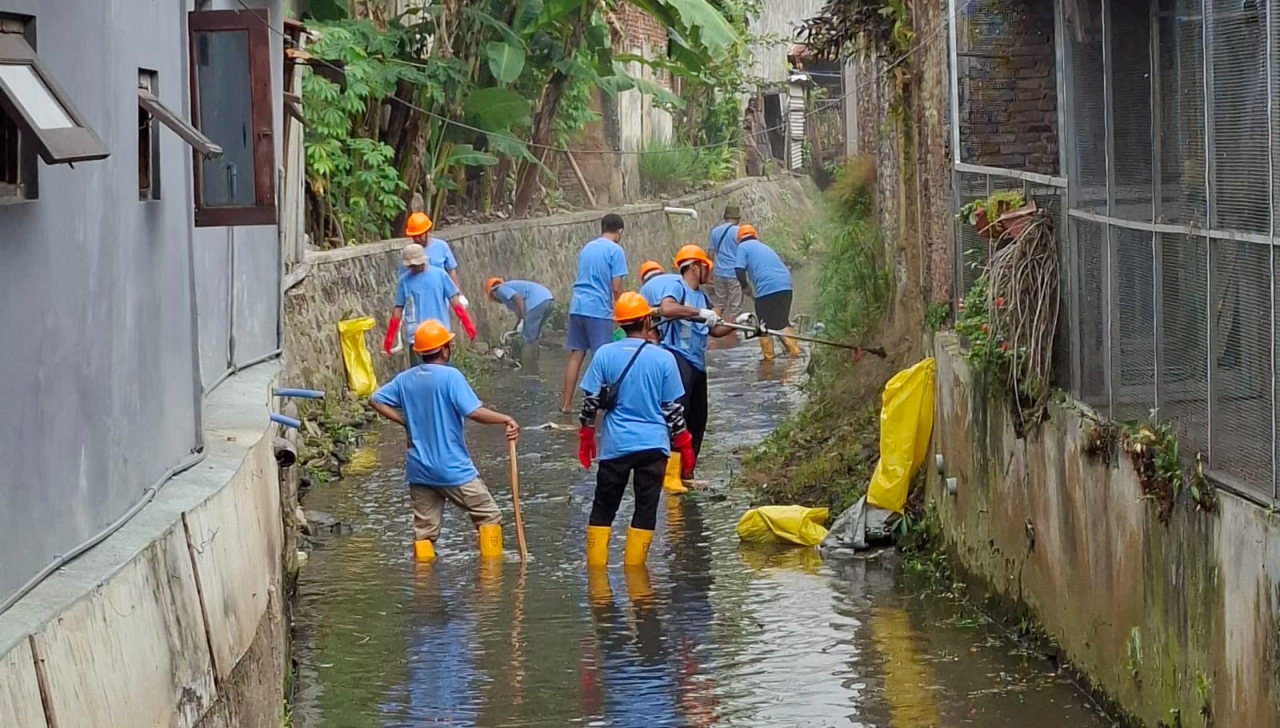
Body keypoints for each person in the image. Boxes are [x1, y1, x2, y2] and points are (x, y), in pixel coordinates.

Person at [369, 320, 521, 562]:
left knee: (424, 532)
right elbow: (473, 412)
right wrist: (505, 419)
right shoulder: (451, 377)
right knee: (489, 516)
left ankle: (424, 581)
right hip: (452, 468)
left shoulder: (404, 379)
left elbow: (375, 399)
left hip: (419, 469)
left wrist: (405, 421)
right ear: (444, 349)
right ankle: (491, 578)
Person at [578, 292, 694, 568]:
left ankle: (597, 577)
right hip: (654, 448)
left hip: (615, 446)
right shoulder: (664, 358)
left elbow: (590, 402)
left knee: (603, 509)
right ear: (646, 321)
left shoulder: (604, 354)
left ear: (620, 324)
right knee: (645, 510)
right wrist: (684, 445)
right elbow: (672, 411)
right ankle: (635, 577)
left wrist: (586, 435)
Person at [655, 245, 735, 484]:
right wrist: (698, 312)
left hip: (697, 364)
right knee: (679, 417)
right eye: (705, 267)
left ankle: (687, 471)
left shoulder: (703, 297)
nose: (709, 272)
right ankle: (670, 475)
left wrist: (735, 323)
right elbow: (666, 308)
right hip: (678, 359)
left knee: (698, 420)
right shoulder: (677, 287)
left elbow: (714, 330)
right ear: (693, 267)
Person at [561, 213, 628, 413]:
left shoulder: (587, 248)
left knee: (576, 355)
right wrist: (623, 313)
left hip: (577, 307)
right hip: (598, 310)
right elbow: (616, 288)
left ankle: (566, 405)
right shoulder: (616, 251)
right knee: (602, 358)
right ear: (620, 231)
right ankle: (598, 408)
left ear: (602, 228)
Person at [383, 243, 467, 355]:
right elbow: (398, 308)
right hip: (416, 337)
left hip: (439, 333)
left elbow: (453, 299)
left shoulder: (440, 275)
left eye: (416, 264)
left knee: (441, 364)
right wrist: (390, 337)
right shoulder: (404, 281)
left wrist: (466, 323)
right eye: (410, 266)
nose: (413, 268)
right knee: (419, 366)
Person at [405, 211, 476, 340]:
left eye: (420, 235)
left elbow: (451, 271)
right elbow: (405, 280)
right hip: (419, 298)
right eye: (414, 236)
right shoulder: (410, 254)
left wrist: (459, 294)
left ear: (427, 231)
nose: (417, 239)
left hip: (440, 294)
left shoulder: (441, 247)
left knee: (439, 327)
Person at [735, 224, 801, 359]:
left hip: (767, 288)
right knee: (782, 322)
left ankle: (768, 359)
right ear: (755, 236)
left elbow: (739, 270)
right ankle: (795, 353)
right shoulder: (763, 247)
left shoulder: (742, 247)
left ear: (739, 239)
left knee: (763, 325)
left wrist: (745, 287)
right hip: (785, 285)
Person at [705, 205, 745, 323]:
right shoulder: (739, 232)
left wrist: (709, 274)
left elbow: (710, 254)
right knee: (735, 307)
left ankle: (712, 324)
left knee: (719, 304)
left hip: (719, 273)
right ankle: (732, 331)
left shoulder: (715, 231)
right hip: (734, 273)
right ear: (738, 219)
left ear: (725, 217)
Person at [485, 277, 555, 344]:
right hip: (548, 299)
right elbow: (521, 314)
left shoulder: (500, 289)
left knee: (527, 337)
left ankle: (526, 352)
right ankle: (535, 351)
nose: (497, 301)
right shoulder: (511, 287)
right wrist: (515, 330)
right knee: (535, 334)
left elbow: (518, 299)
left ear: (493, 293)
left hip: (535, 303)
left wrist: (522, 319)